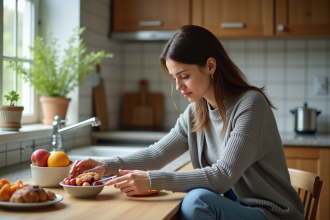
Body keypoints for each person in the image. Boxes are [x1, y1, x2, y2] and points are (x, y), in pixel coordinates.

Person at [70, 25, 304, 220]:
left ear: (210, 66)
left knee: (196, 200)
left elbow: (222, 176)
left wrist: (153, 180)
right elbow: (157, 154)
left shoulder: (250, 105)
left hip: (272, 213)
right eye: (175, 78)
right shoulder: (196, 111)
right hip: (237, 207)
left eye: (184, 76)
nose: (178, 86)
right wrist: (104, 166)